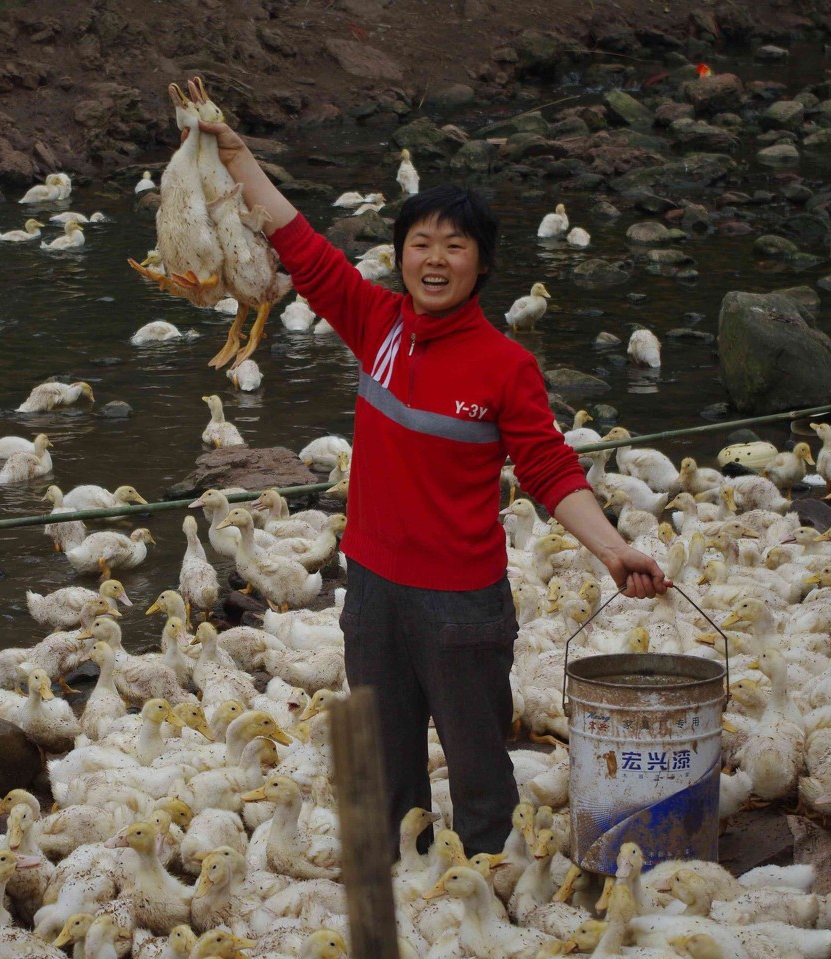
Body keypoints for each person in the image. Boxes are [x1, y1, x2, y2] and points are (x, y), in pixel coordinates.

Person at [193, 112, 669, 856]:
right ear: (402, 255)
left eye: (455, 246)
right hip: (374, 588)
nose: (435, 260)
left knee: (479, 765)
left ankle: (495, 887)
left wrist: (613, 549)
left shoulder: (504, 365)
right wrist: (235, 154)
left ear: (482, 264)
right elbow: (301, 244)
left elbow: (549, 467)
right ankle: (408, 887)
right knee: (385, 761)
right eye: (421, 244)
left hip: (461, 605)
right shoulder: (374, 320)